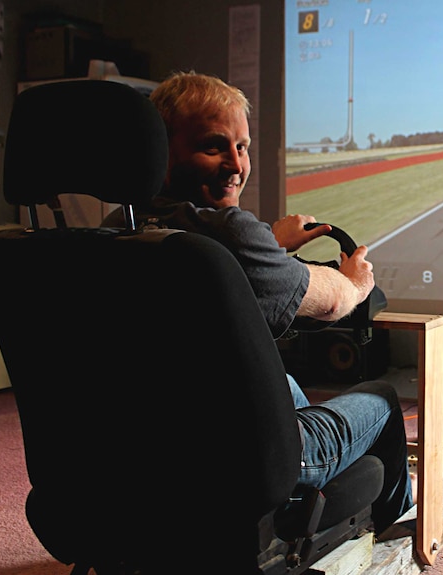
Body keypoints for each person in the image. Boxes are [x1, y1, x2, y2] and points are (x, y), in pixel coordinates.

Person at [102, 71, 413, 534]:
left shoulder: (111, 233)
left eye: (242, 147)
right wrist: (355, 279)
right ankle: (393, 531)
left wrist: (270, 241)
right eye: (213, 146)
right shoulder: (231, 233)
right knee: (383, 399)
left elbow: (221, 272)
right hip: (244, 466)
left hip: (145, 461)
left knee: (282, 382)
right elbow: (335, 301)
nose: (235, 163)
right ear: (164, 153)